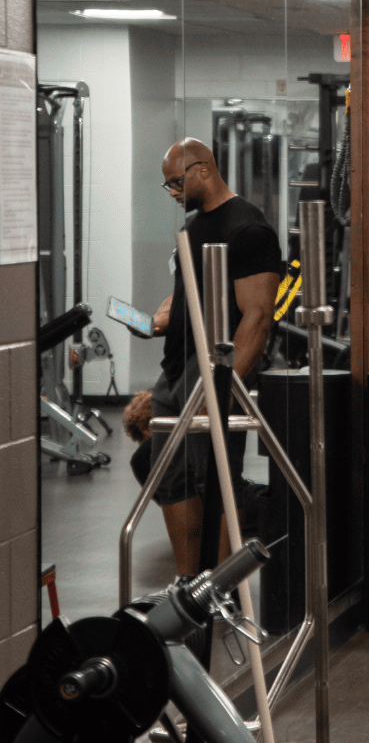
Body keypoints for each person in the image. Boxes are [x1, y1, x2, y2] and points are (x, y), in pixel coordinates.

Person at [138, 138, 280, 577]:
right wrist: (159, 320)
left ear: (203, 170)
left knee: (215, 482)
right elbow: (187, 292)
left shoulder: (248, 229)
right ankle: (188, 586)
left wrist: (220, 385)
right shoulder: (193, 227)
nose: (173, 192)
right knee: (170, 479)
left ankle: (218, 591)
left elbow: (257, 317)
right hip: (175, 368)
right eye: (167, 185)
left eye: (176, 182)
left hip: (213, 369)